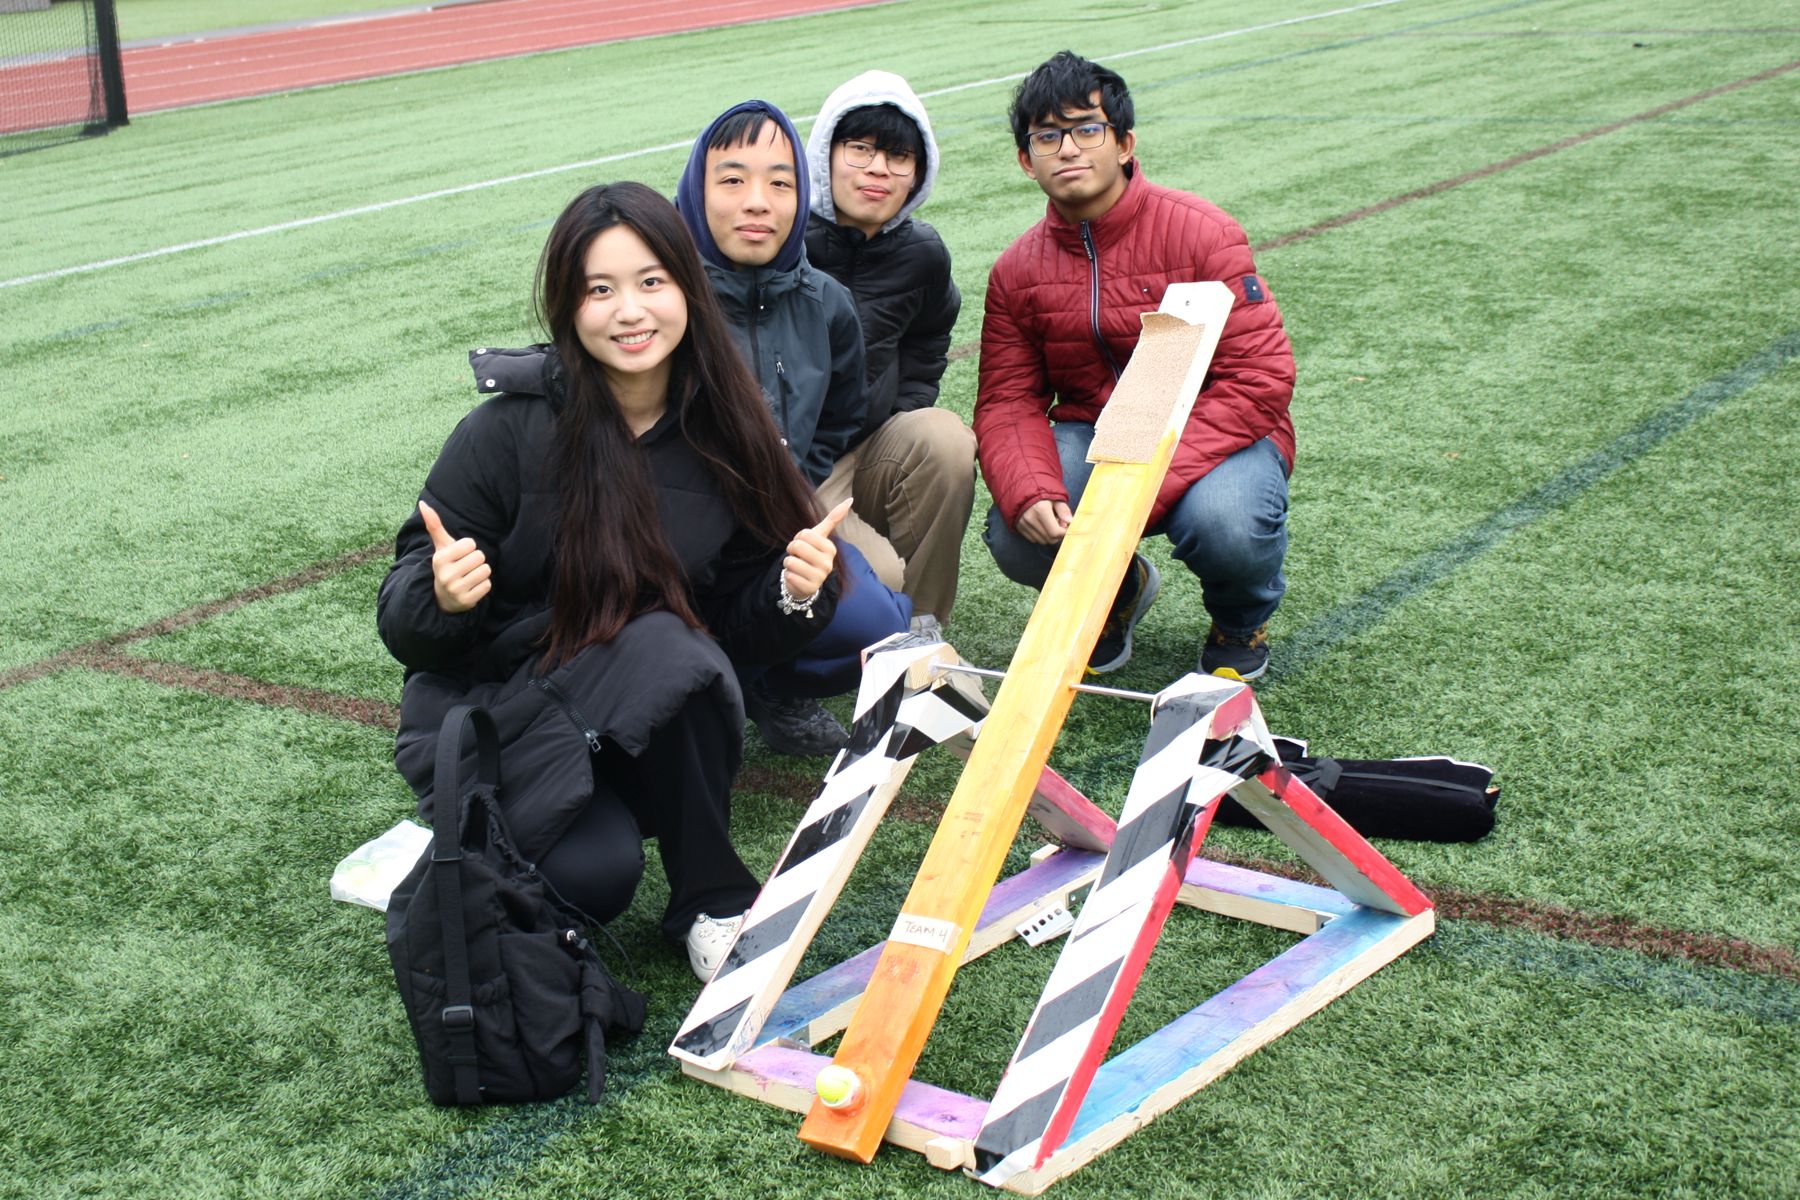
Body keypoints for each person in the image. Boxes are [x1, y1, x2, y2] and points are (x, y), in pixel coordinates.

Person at [376, 182, 846, 981]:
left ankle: (712, 900)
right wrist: (441, 596)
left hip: (644, 709)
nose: (629, 311)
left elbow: (732, 630)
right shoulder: (506, 430)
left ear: (687, 292)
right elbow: (404, 616)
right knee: (592, 880)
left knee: (671, 644)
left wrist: (795, 592)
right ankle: (456, 832)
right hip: (507, 711)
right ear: (568, 306)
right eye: (601, 290)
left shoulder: (730, 431)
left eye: (651, 282)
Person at [975, 51, 1296, 680]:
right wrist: (1031, 491)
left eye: (1087, 129)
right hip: (1093, 428)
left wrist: (1135, 495)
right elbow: (1006, 401)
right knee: (1018, 530)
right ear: (1025, 159)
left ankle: (1239, 617)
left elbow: (1259, 378)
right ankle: (1116, 594)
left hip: (1213, 431)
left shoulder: (1200, 233)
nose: (1068, 149)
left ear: (1124, 143)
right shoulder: (1017, 271)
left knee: (1226, 521)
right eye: (1047, 136)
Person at [673, 98, 912, 756]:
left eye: (780, 183)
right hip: (671, 551)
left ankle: (770, 685)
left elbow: (840, 416)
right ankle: (707, 683)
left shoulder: (825, 303)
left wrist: (791, 489)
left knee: (879, 624)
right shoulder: (664, 300)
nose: (758, 202)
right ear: (696, 190)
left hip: (772, 535)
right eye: (732, 180)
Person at [804, 70, 975, 630]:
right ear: (825, 154)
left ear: (918, 174)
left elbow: (931, 334)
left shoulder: (921, 254)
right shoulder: (781, 241)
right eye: (860, 149)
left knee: (944, 437)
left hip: (866, 447)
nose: (879, 169)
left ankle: (923, 633)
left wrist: (906, 410)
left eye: (899, 157)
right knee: (879, 578)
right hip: (788, 461)